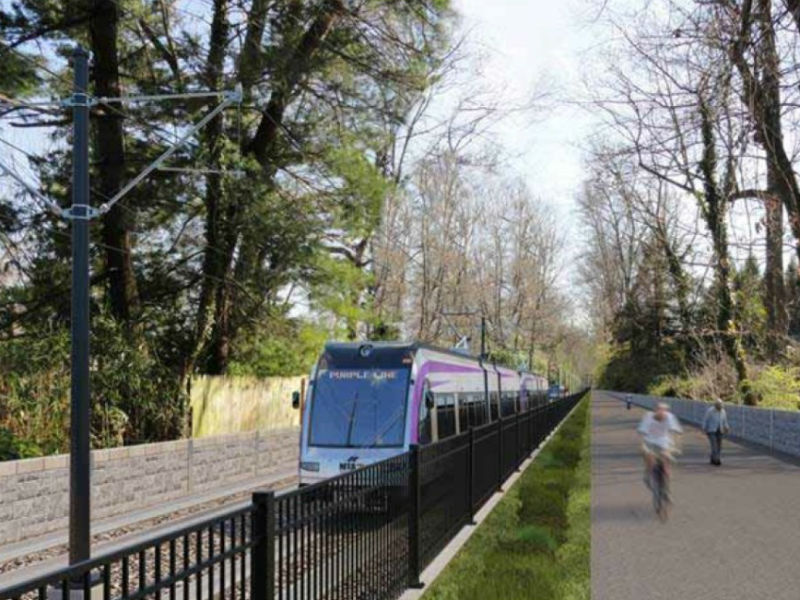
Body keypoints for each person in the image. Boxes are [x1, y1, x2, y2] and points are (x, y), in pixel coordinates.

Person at [637, 402, 682, 491]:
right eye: (659, 411)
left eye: (663, 411)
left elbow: (677, 432)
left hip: (664, 441)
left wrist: (677, 446)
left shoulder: (669, 417)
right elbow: (641, 433)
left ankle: (667, 486)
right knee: (650, 458)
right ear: (655, 411)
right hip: (649, 440)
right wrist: (642, 446)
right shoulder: (648, 417)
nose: (661, 414)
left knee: (666, 460)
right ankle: (648, 476)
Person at [702, 398, 730, 466]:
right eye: (718, 405)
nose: (720, 407)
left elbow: (724, 421)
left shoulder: (723, 411)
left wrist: (726, 427)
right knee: (714, 446)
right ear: (715, 405)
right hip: (711, 430)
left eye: (721, 405)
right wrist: (704, 428)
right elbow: (706, 420)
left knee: (719, 446)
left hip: (720, 430)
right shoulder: (710, 411)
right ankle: (717, 460)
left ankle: (713, 458)